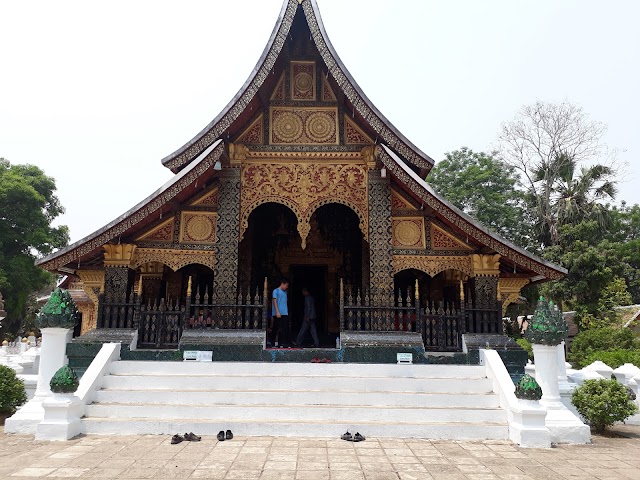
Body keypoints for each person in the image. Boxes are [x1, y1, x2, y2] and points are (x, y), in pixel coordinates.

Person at [272, 278, 290, 347]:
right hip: (278, 313)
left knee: (284, 328)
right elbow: (274, 301)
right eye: (286, 285)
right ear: (282, 283)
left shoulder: (285, 292)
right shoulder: (276, 291)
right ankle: (274, 343)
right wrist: (277, 311)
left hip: (284, 312)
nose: (287, 287)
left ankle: (283, 343)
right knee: (277, 328)